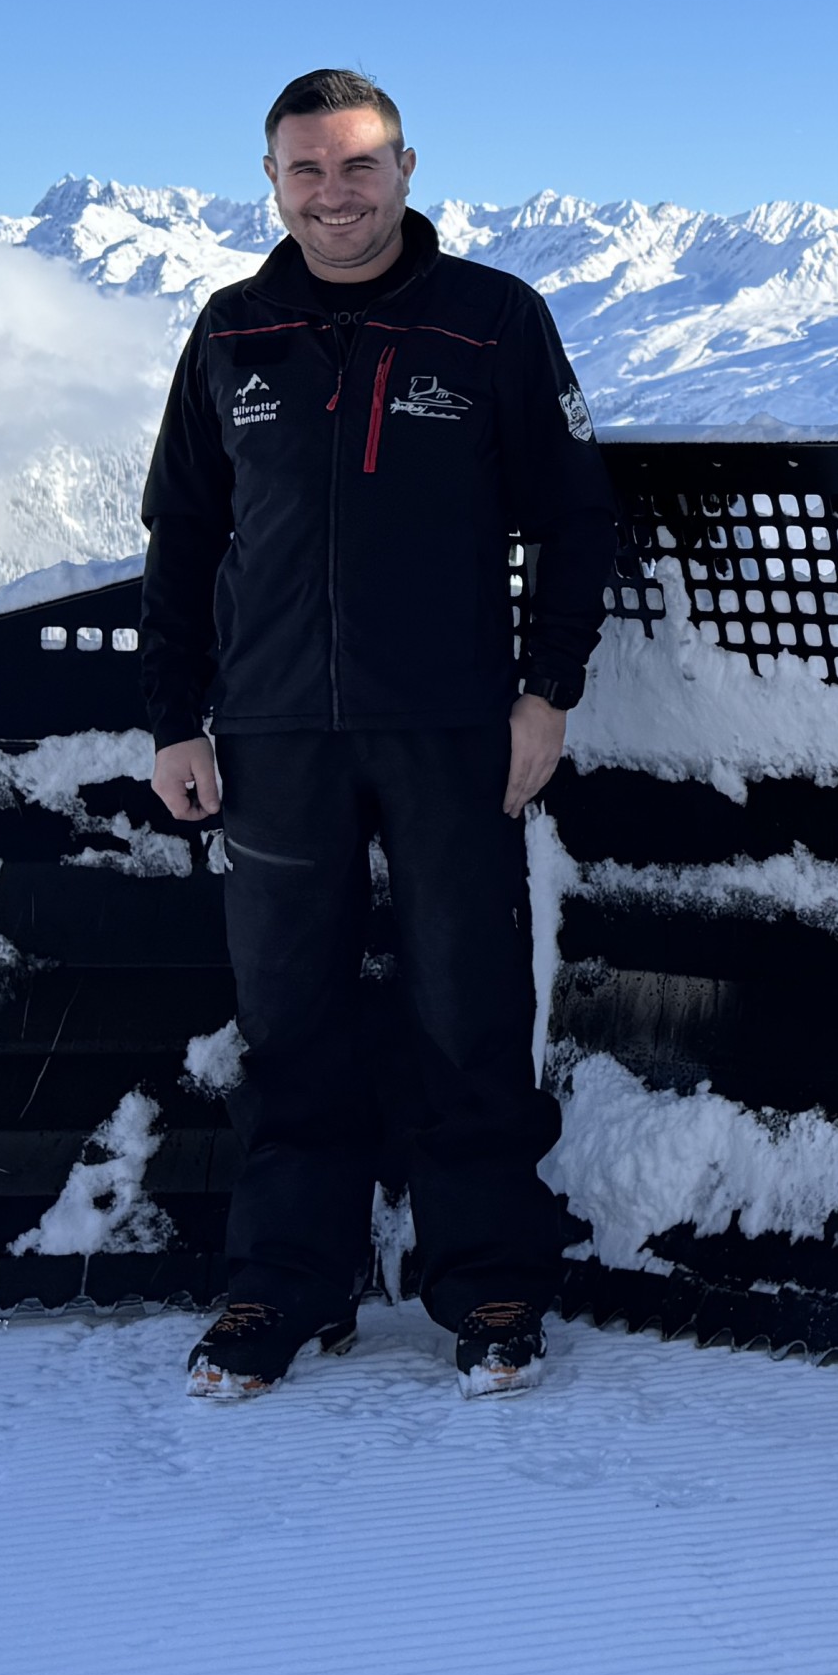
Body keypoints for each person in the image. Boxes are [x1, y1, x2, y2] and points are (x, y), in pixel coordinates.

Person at [141, 68, 620, 1402]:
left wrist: (547, 690)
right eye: (307, 171)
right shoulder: (235, 332)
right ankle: (287, 1284)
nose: (334, 194)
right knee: (290, 1018)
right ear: (274, 183)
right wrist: (176, 717)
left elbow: (575, 521)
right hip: (277, 733)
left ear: (408, 170)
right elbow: (180, 537)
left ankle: (489, 1283)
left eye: (358, 167)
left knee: (468, 1003)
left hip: (457, 725)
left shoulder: (489, 322)